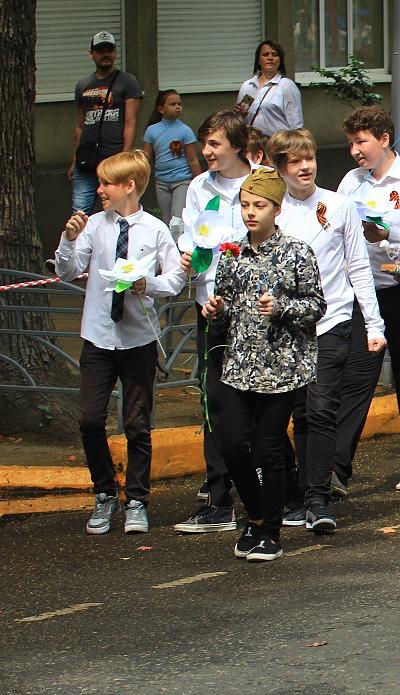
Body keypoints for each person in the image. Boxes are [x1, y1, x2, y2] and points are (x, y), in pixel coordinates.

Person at [54, 151, 185, 535]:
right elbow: (68, 269)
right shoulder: (95, 225)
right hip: (98, 336)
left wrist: (150, 285)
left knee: (137, 423)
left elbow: (175, 279)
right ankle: (105, 492)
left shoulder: (155, 230)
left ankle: (138, 500)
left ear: (129, 186)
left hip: (137, 339)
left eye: (106, 184)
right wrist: (68, 238)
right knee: (90, 419)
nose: (99, 190)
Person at [202, 167, 325, 562]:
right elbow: (224, 308)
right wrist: (215, 311)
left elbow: (316, 305)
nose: (250, 213)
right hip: (239, 366)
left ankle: (269, 531)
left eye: (259, 205)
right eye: (245, 205)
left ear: (277, 208)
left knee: (270, 447)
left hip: (282, 367)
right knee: (234, 443)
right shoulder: (231, 253)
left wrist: (283, 307)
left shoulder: (296, 252)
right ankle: (254, 515)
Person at [268, 128, 384, 532]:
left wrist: (373, 323)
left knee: (320, 410)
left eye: (310, 158)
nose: (305, 167)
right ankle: (295, 494)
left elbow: (357, 266)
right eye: (295, 161)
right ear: (279, 167)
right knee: (292, 412)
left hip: (333, 320)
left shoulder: (339, 205)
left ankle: (318, 498)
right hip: (283, 326)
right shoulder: (271, 209)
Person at [334, 106, 400, 495]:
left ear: (383, 138)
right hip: (363, 293)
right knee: (356, 379)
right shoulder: (350, 183)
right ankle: (337, 467)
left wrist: (388, 241)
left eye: (361, 142)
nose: (355, 151)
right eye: (351, 143)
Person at [173, 112, 253, 536]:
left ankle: (272, 489)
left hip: (254, 312)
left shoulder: (261, 183)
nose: (206, 152)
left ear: (237, 146)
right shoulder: (198, 186)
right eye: (205, 144)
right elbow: (190, 232)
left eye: (215, 145)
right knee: (214, 403)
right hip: (211, 311)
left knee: (257, 401)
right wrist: (187, 254)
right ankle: (218, 498)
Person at [70, 31, 143, 213]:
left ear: (115, 53)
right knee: (79, 212)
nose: (106, 54)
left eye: (109, 49)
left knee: (116, 211)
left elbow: (130, 122)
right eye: (100, 50)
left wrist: (125, 157)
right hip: (86, 160)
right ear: (92, 54)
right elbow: (80, 124)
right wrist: (74, 159)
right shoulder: (83, 84)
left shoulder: (127, 81)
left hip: (114, 158)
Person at [141, 90, 201, 223]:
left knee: (177, 221)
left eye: (179, 104)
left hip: (182, 182)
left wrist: (200, 181)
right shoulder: (151, 130)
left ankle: (179, 243)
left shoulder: (185, 130)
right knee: (166, 220)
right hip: (161, 183)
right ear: (161, 109)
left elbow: (192, 159)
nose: (178, 106)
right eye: (173, 104)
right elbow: (145, 158)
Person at [235, 40, 303, 136]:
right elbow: (240, 120)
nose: (270, 58)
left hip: (278, 144)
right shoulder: (248, 86)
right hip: (253, 144)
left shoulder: (287, 85)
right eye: (265, 54)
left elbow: (295, 122)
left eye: (274, 54)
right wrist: (240, 115)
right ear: (258, 60)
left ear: (280, 60)